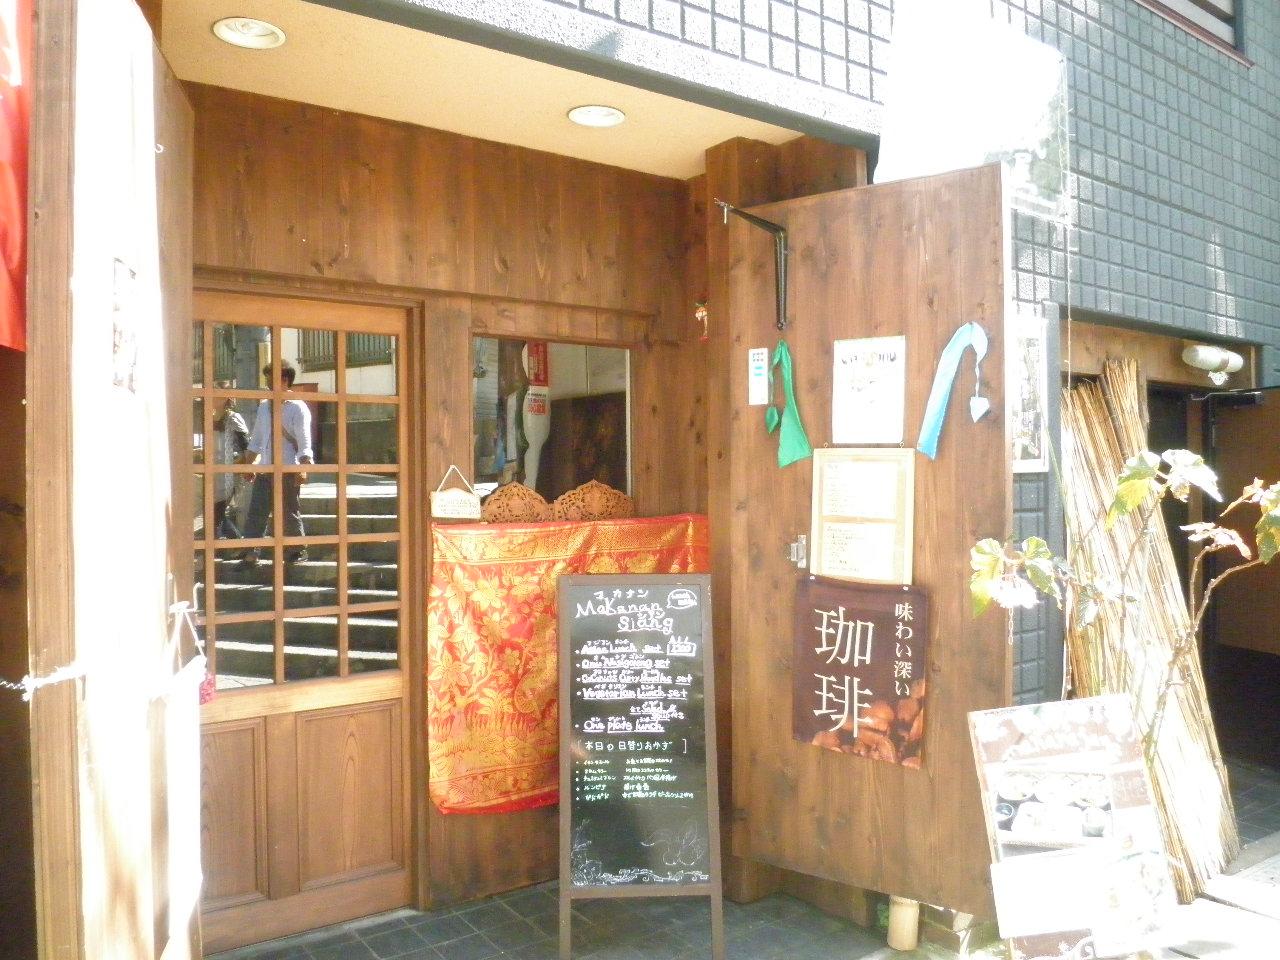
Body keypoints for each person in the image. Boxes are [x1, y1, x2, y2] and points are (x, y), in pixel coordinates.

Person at [238, 361, 314, 567]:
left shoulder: (297, 407)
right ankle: (251, 552)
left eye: (272, 378)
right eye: (268, 379)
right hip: (266, 468)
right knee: (257, 510)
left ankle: (296, 550)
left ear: (285, 380)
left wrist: (303, 468)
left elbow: (304, 441)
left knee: (289, 511)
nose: (269, 383)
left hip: (288, 467)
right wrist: (249, 464)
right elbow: (256, 439)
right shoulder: (264, 406)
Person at [212, 391, 250, 538]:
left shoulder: (233, 418)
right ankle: (236, 543)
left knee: (216, 512)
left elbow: (245, 444)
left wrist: (247, 466)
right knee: (216, 513)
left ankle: (235, 542)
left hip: (229, 473)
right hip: (215, 472)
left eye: (216, 395)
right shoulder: (210, 417)